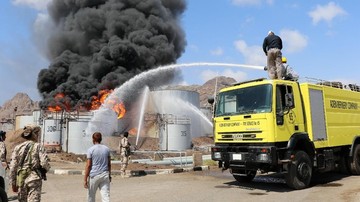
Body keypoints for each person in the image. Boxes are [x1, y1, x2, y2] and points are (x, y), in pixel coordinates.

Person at [9, 125, 51, 202]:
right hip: (34, 179)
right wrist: (44, 171)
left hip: (21, 179)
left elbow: (13, 167)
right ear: (35, 134)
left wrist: (13, 182)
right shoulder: (38, 146)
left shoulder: (18, 147)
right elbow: (44, 163)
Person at [84, 132, 111, 202]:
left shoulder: (90, 150)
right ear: (101, 139)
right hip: (105, 175)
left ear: (93, 139)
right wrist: (109, 175)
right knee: (105, 196)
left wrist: (85, 179)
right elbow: (109, 164)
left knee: (91, 196)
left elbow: (89, 165)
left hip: (94, 176)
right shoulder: (107, 149)